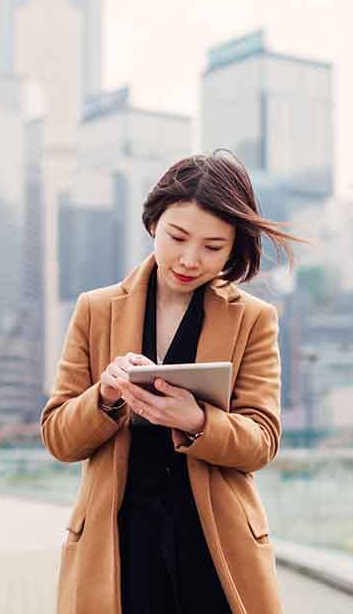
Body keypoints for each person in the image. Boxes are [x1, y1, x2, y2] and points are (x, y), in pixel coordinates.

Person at [41, 151, 303, 614]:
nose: (189, 259)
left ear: (233, 247)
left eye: (212, 247)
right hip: (118, 546)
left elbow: (262, 441)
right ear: (152, 224)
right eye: (177, 236)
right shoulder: (94, 310)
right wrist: (104, 396)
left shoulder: (254, 319)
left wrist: (199, 421)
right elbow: (59, 439)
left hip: (215, 546)